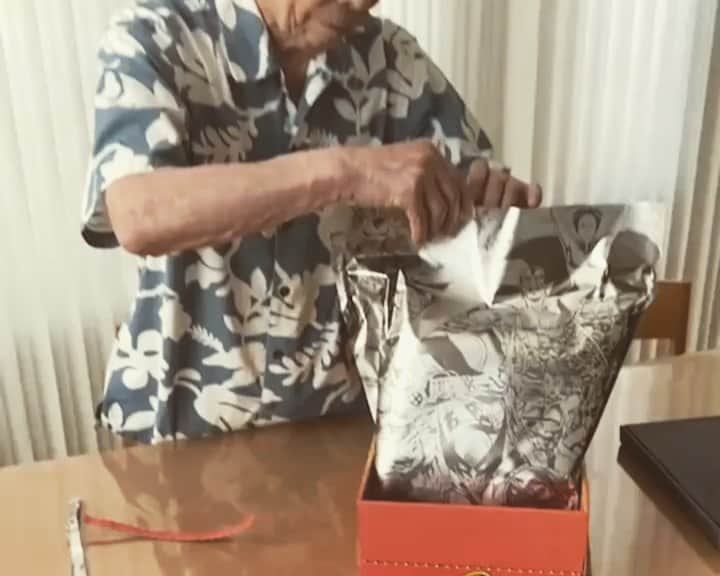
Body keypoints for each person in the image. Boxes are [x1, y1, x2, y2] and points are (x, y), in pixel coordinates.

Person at [82, 0, 542, 444]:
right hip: (177, 430)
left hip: (340, 426)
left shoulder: (392, 58)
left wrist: (491, 208)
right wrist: (346, 172)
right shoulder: (153, 34)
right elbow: (137, 215)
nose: (365, 2)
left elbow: (469, 204)